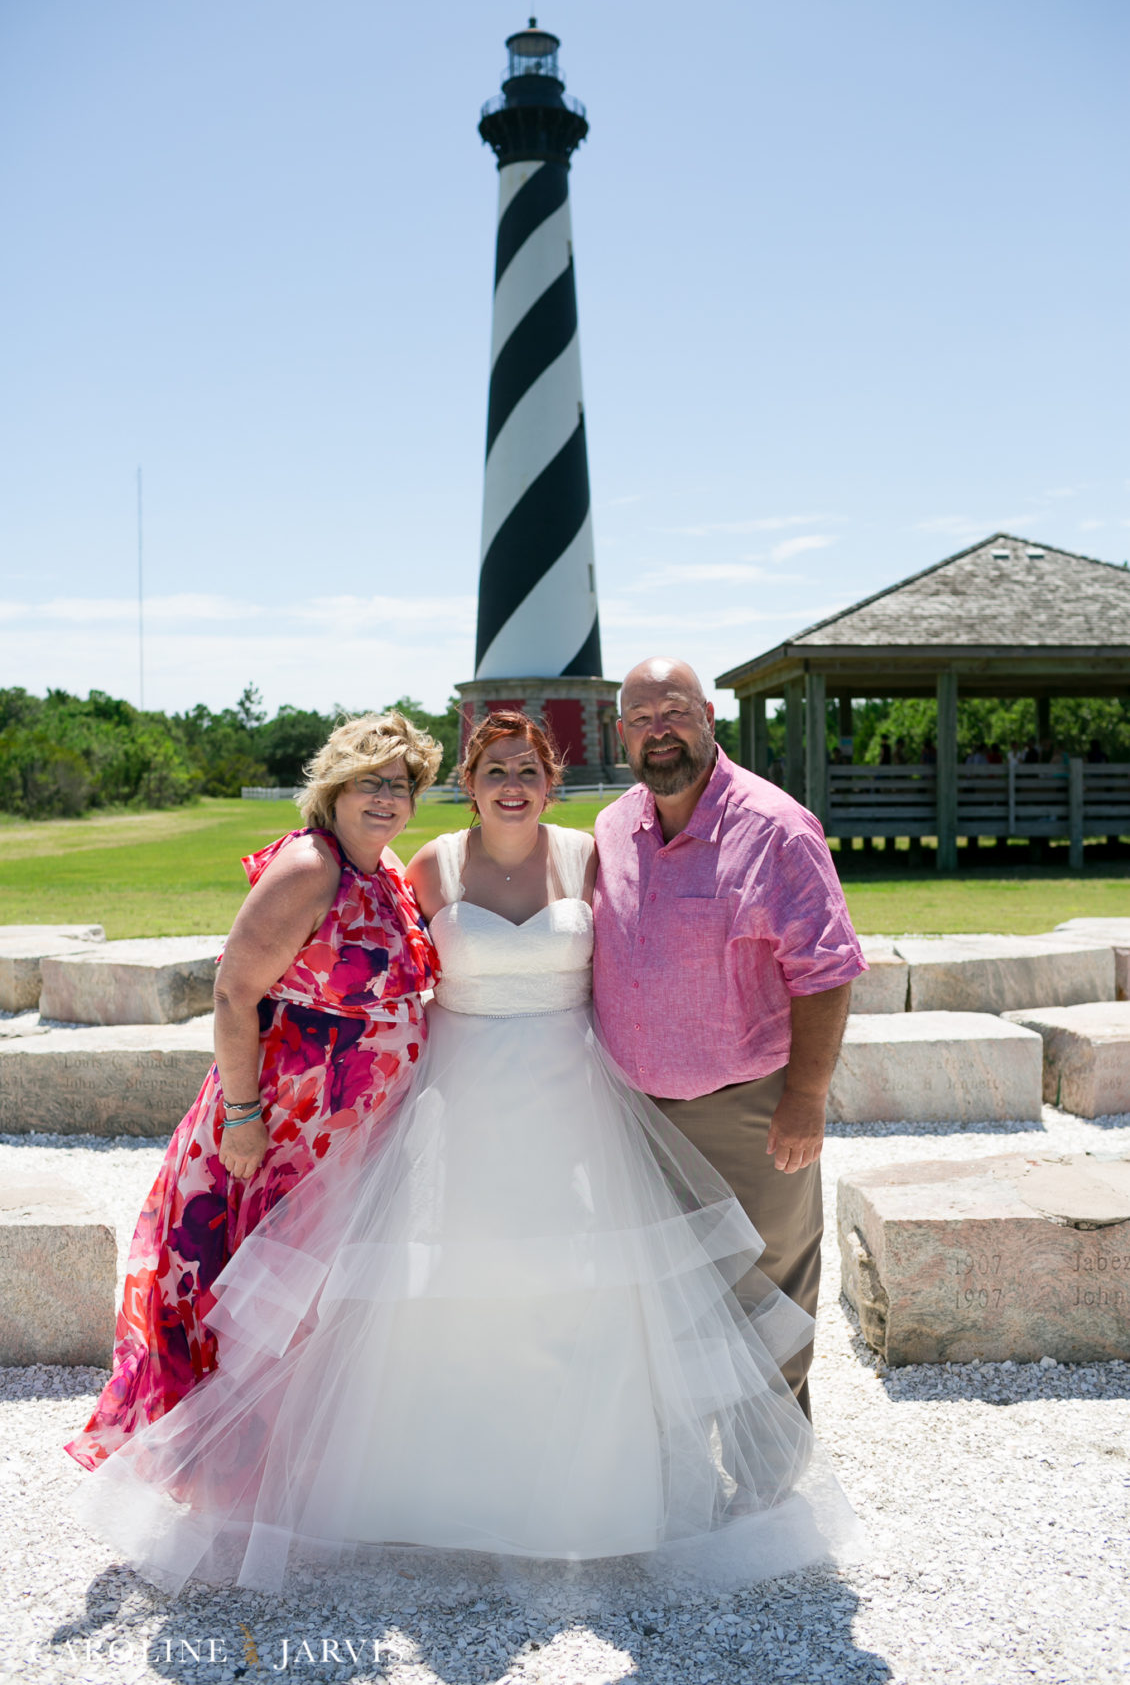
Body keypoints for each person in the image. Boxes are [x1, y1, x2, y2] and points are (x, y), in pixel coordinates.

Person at [70, 710, 858, 1598]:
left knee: (582, 1285)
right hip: (458, 1096)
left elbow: (651, 945)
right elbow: (348, 969)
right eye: (494, 771)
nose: (512, 784)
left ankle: (591, 1488)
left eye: (528, 769)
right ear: (470, 786)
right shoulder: (427, 866)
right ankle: (440, 1477)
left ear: (550, 783)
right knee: (447, 1281)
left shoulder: (588, 856)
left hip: (573, 1099)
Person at [66, 711, 441, 1470]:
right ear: (332, 789)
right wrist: (243, 1121)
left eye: (400, 784)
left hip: (350, 1144)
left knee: (318, 1310)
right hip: (279, 1139)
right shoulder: (311, 866)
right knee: (262, 1312)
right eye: (369, 782)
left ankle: (304, 1473)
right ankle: (235, 1482)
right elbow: (235, 994)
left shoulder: (387, 868)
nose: (386, 798)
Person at [592, 660, 866, 1418]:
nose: (659, 730)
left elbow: (827, 970)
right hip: (638, 1118)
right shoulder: (614, 828)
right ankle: (691, 1486)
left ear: (709, 715)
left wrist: (805, 1099)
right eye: (642, 717)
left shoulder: (776, 828)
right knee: (667, 1300)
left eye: (673, 711)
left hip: (747, 1110)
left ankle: (771, 1496)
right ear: (622, 733)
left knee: (766, 1292)